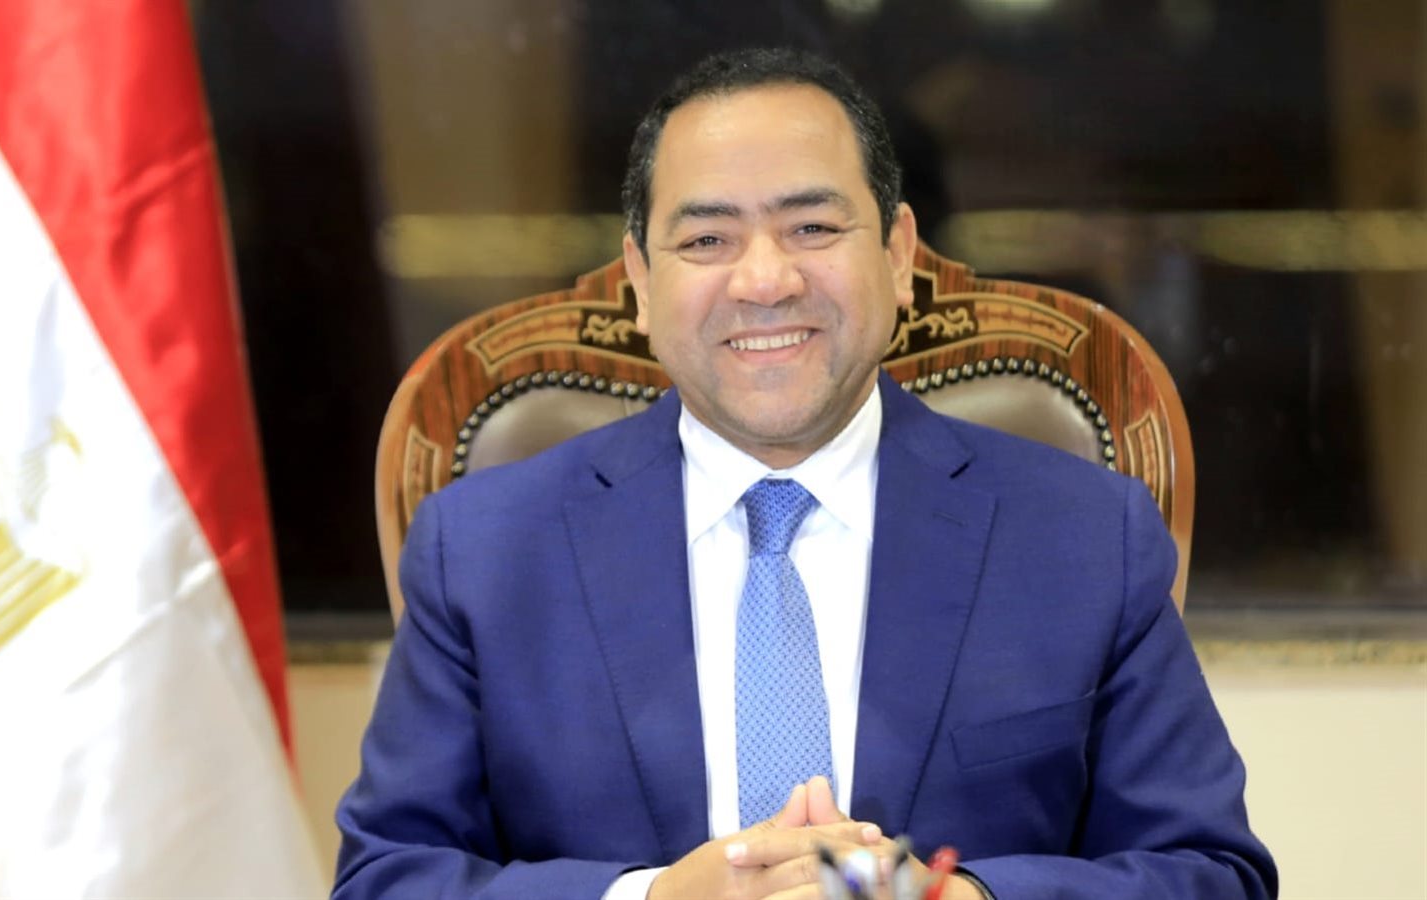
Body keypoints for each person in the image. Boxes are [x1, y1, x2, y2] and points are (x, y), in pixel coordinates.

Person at [332, 47, 1277, 900]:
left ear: (898, 255)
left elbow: (1210, 874)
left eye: (813, 227)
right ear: (641, 282)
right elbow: (387, 879)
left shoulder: (1085, 535)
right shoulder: (483, 550)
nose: (765, 281)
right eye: (707, 240)